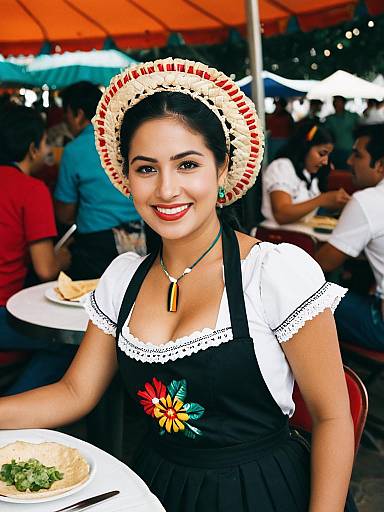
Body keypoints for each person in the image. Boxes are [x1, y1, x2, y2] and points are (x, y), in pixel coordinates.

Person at [0, 59, 357, 512]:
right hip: (153, 486)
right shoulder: (123, 278)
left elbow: (332, 418)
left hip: (259, 491)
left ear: (222, 168)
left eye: (187, 164)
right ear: (126, 179)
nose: (167, 190)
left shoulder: (274, 274)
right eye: (146, 169)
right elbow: (75, 392)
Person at [0, 104, 76, 395]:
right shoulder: (31, 190)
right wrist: (63, 256)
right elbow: (45, 267)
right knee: (68, 344)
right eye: (44, 141)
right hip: (4, 314)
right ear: (33, 148)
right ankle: (12, 411)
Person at [54, 81, 145, 280]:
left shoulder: (73, 150)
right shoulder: (128, 139)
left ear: (78, 114)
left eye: (66, 115)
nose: (66, 122)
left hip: (96, 246)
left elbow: (64, 213)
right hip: (144, 235)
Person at [316, 124, 384, 350]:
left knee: (305, 297)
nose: (349, 161)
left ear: (381, 165)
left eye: (358, 155)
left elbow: (323, 263)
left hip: (379, 326)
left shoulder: (369, 200)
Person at [261, 121, 350, 225]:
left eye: (328, 156)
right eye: (322, 154)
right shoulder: (282, 167)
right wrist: (322, 199)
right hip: (275, 235)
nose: (325, 161)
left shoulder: (309, 174)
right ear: (305, 147)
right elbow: (281, 214)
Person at [324, 96, 360, 169]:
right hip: (335, 150)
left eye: (338, 102)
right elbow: (326, 134)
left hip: (350, 150)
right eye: (334, 102)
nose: (336, 104)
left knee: (348, 172)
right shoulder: (329, 119)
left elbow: (361, 130)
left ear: (344, 103)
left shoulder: (353, 116)